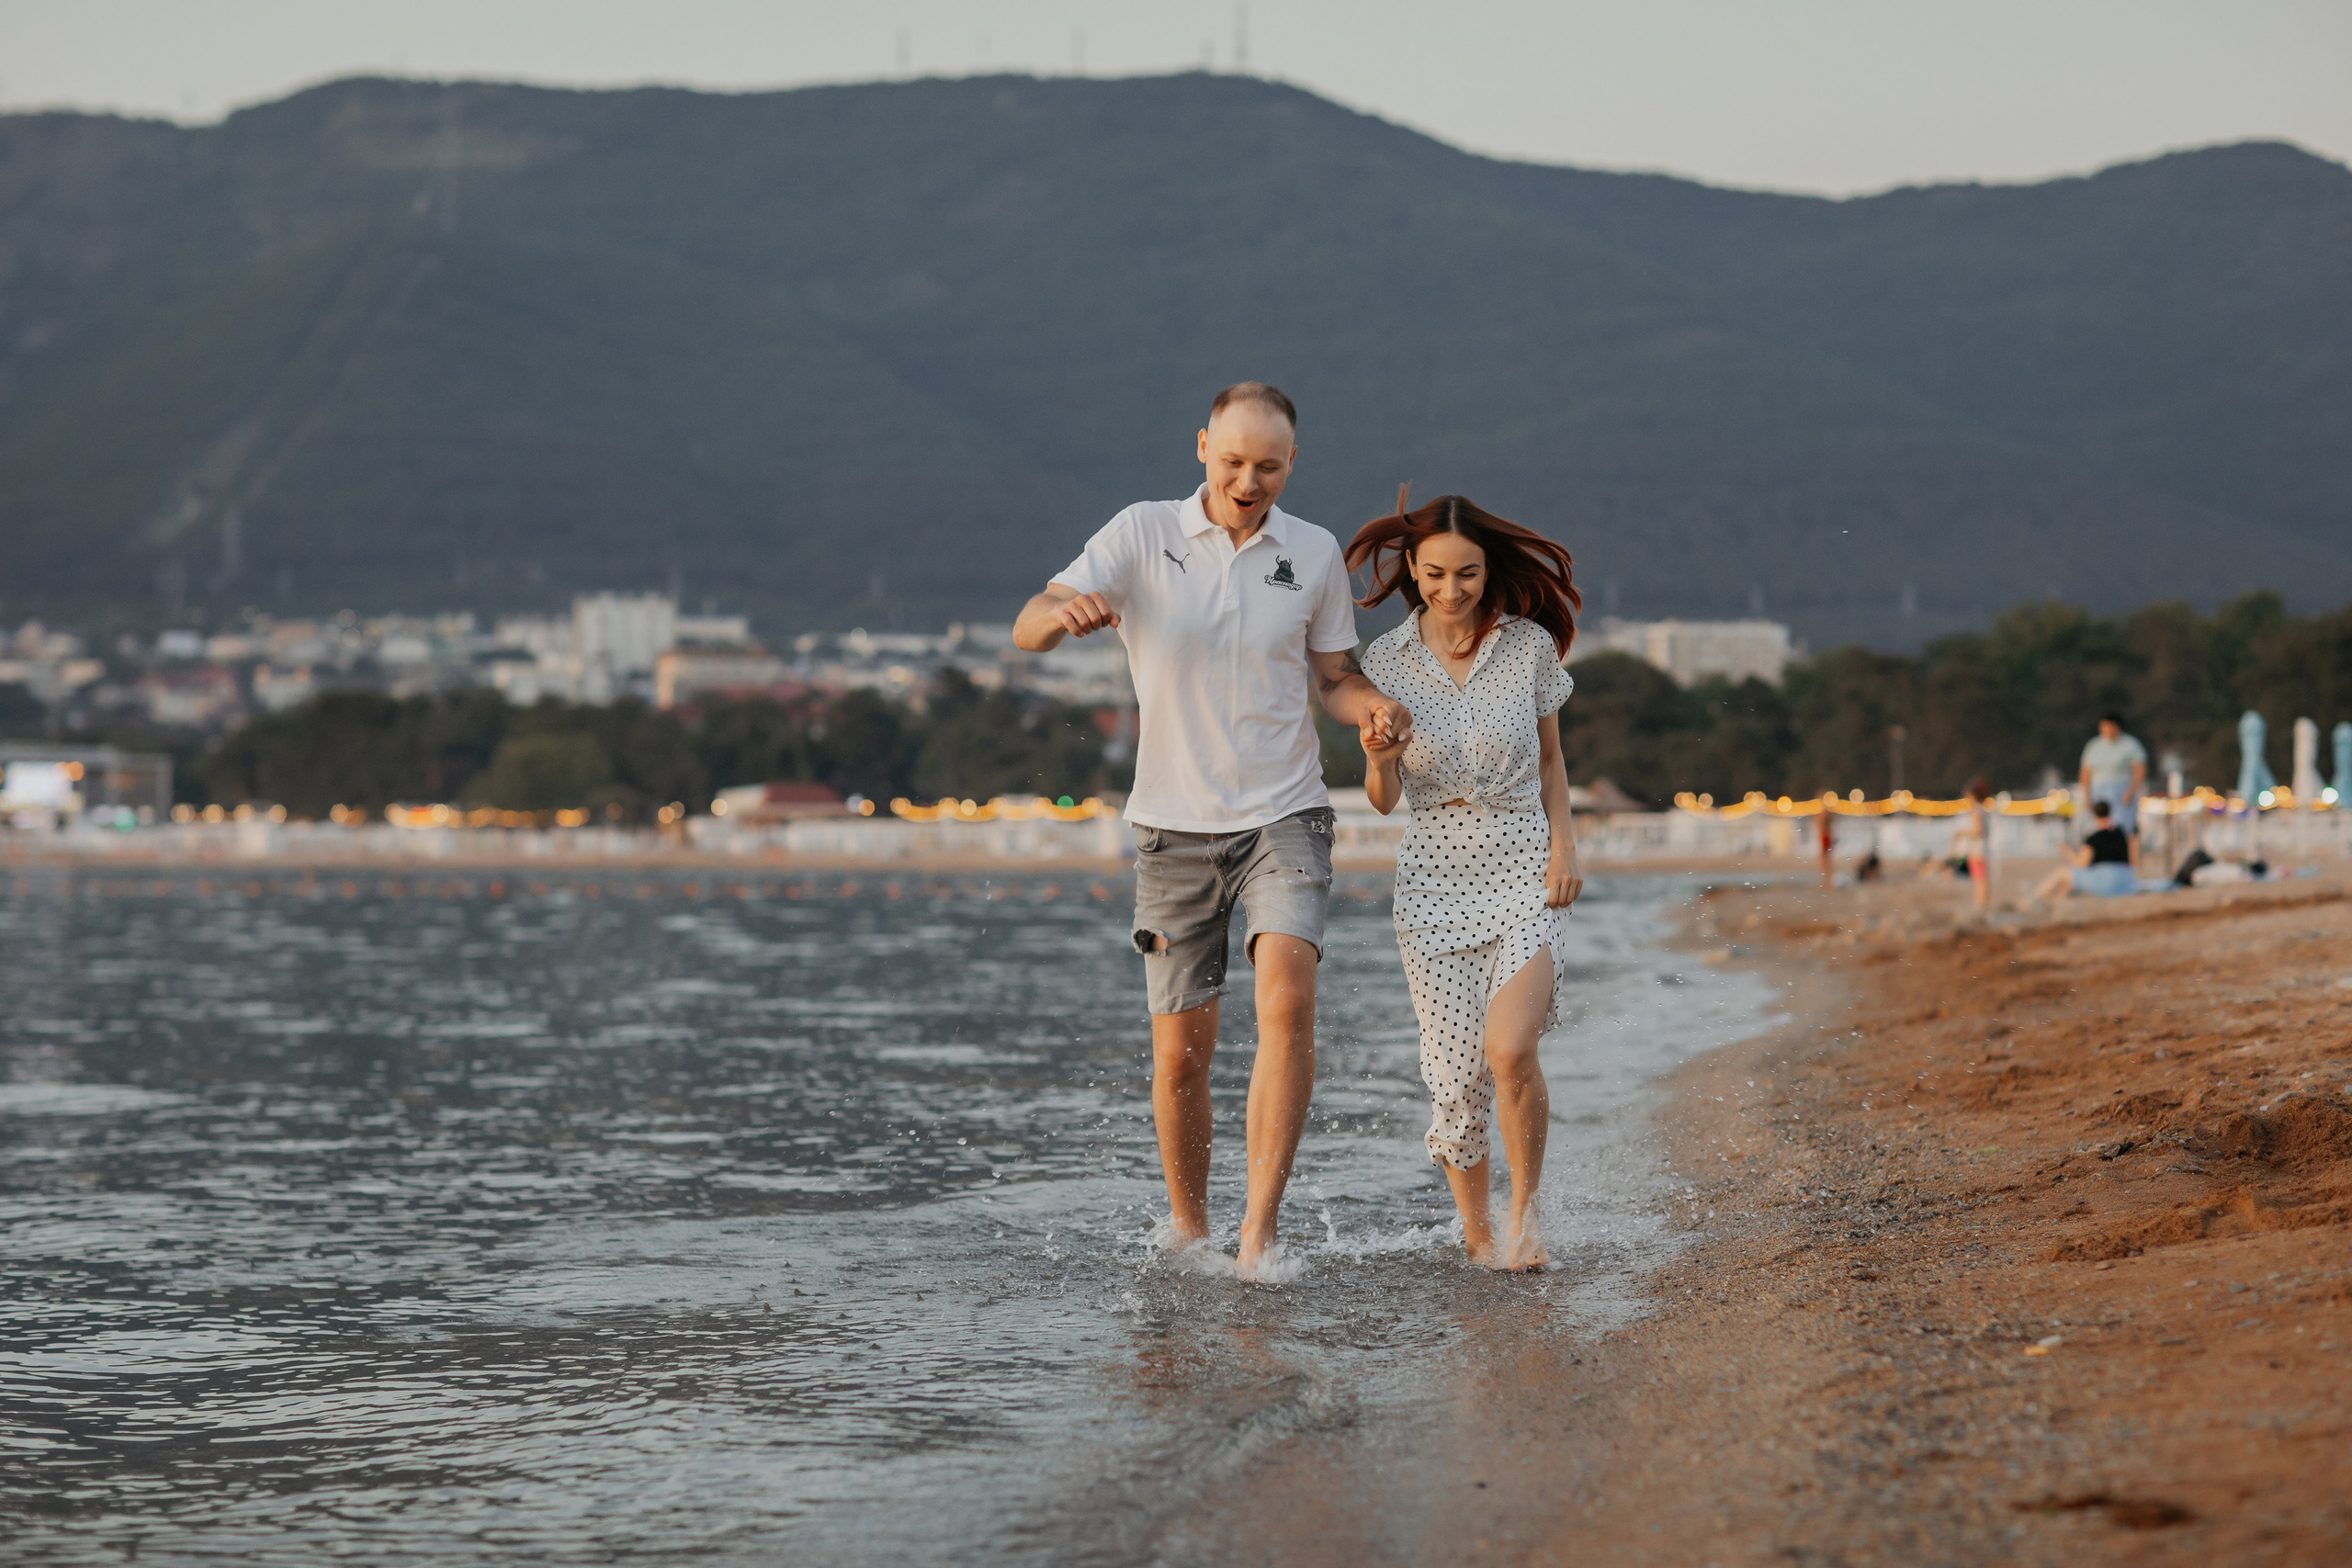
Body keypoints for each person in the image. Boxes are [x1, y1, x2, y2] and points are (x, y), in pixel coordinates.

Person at [1012, 383, 1411, 1280]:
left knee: (1287, 1001)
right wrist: (1062, 614)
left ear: (1291, 463)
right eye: (1232, 461)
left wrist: (1373, 708)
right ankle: (1190, 1232)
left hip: (1286, 813)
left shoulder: (1311, 551)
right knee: (1180, 1056)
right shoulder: (1142, 531)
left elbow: (1335, 677)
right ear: (1202, 448)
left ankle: (1257, 1238)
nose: (1247, 480)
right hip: (1172, 829)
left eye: (1267, 466)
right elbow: (1027, 624)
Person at [1350, 491, 1583, 1270]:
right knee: (1454, 1081)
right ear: (1413, 571)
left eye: (1469, 574)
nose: (1452, 590)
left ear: (1489, 570)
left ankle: (1525, 1218)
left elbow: (1552, 759)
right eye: (1437, 574)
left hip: (1522, 864)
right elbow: (1382, 799)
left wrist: (1565, 846)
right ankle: (1477, 1235)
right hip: (1432, 884)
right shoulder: (1384, 662)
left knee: (1510, 1050)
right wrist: (1379, 758)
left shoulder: (1528, 647)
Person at [2031, 798, 2136, 902]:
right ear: (2110, 813)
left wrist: (2066, 850)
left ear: (2094, 815)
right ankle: (2059, 901)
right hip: (2127, 881)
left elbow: (2080, 865)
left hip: (2105, 882)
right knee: (2072, 882)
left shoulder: (2093, 837)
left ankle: (2035, 898)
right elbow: (2132, 860)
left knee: (2061, 873)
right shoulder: (2121, 832)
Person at [2078, 712, 2148, 840]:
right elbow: (2085, 773)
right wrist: (2086, 797)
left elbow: (2140, 771)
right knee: (2097, 827)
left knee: (2122, 827)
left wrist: (2130, 792)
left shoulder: (2130, 745)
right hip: (2099, 790)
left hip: (2122, 790)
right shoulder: (2094, 746)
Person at [1959, 778, 1995, 912]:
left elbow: (1977, 830)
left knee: (1980, 882)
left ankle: (1980, 907)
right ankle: (1983, 906)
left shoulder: (1976, 810)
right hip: (1983, 849)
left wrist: (1962, 833)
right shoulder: (1984, 809)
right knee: (1983, 880)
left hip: (1977, 850)